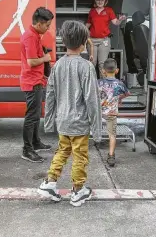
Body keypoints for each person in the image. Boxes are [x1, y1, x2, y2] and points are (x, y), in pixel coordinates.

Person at [37, 20, 101, 207]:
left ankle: (50, 182)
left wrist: (49, 122)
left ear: (63, 42)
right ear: (83, 43)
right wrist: (97, 130)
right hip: (79, 123)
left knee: (62, 151)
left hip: (63, 121)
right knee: (80, 156)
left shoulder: (57, 66)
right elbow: (92, 100)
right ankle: (78, 190)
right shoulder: (86, 66)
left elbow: (50, 96)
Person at [20, 7, 54, 163]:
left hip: (37, 80)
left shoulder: (35, 35)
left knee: (36, 115)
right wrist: (46, 58)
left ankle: (35, 142)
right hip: (32, 81)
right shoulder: (30, 38)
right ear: (40, 23)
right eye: (47, 25)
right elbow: (31, 61)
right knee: (31, 117)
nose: (48, 28)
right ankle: (27, 150)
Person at [98, 58, 130, 167]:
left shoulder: (99, 82)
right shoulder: (120, 84)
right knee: (112, 135)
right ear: (117, 70)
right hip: (112, 113)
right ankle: (111, 156)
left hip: (99, 112)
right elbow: (127, 94)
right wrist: (119, 98)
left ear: (103, 71)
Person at [86, 0, 126, 77]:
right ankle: (91, 85)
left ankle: (103, 85)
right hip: (92, 41)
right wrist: (81, 31)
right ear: (95, 1)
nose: (100, 2)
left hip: (104, 40)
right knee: (91, 63)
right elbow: (88, 25)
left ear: (105, 1)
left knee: (102, 63)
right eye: (98, 0)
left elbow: (115, 22)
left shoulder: (109, 10)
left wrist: (120, 19)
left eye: (102, 0)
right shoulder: (92, 11)